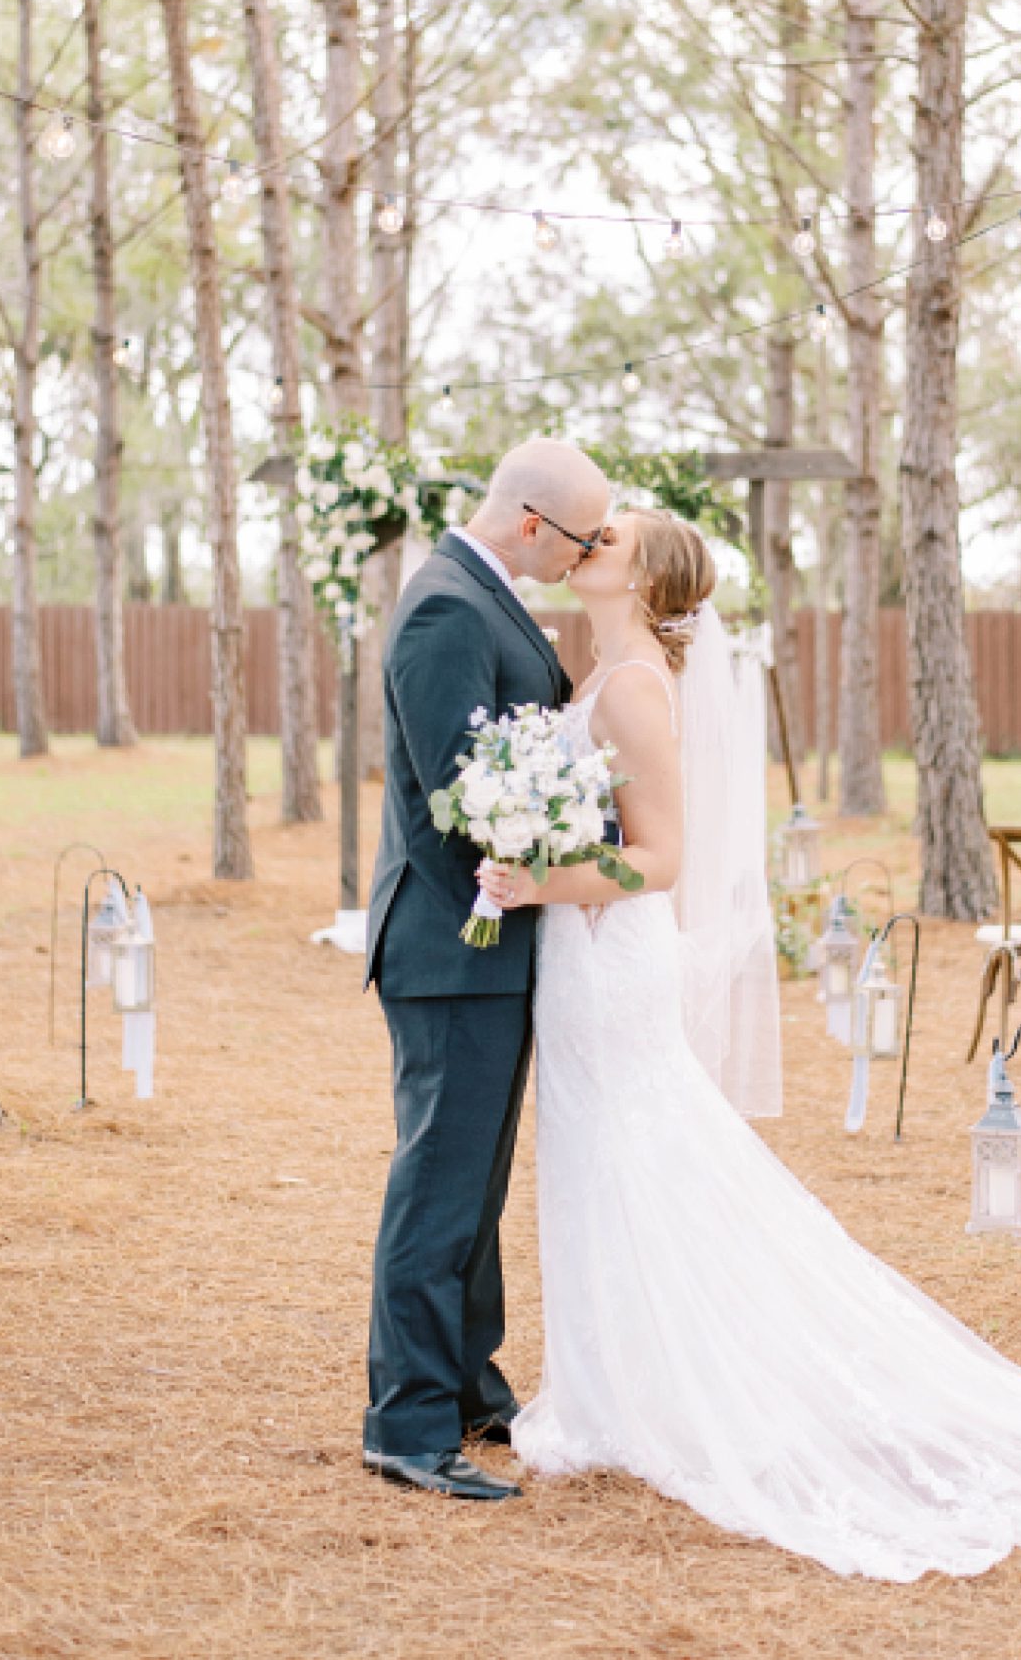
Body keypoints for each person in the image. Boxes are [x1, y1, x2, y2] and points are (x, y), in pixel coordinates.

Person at [476, 507, 1021, 1581]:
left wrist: (541, 881)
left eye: (610, 540)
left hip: (609, 954)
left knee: (634, 1159)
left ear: (650, 585)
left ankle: (645, 1396)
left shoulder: (628, 689)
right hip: (579, 955)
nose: (589, 543)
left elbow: (661, 859)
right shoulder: (601, 672)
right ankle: (611, 1386)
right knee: (596, 1166)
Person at [362, 438, 610, 1503]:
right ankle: (406, 1423)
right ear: (528, 524)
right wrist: (514, 887)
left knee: (477, 1185)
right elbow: (445, 800)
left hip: (495, 947)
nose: (587, 554)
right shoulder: (447, 607)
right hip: (453, 943)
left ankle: (467, 1382)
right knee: (439, 1184)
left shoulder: (485, 595)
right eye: (583, 538)